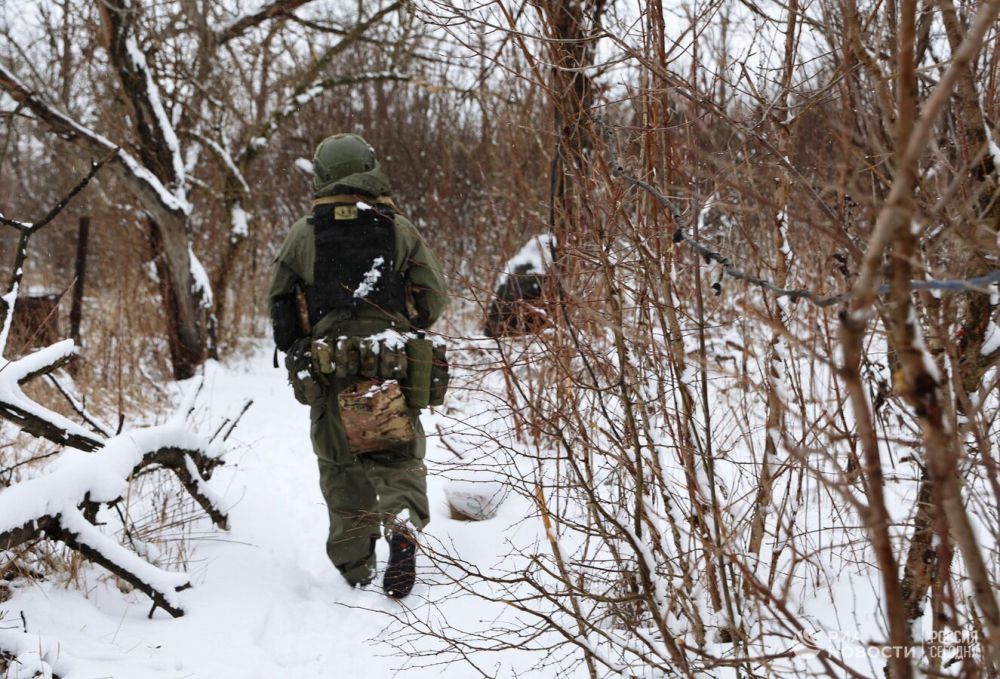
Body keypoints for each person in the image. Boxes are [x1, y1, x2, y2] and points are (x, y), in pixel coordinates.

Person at [269, 133, 447, 597]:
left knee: (340, 464)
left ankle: (355, 568)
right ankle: (401, 525)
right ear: (370, 169)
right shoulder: (398, 228)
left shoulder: (304, 233)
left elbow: (280, 306)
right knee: (398, 455)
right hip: (390, 362)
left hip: (329, 367)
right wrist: (404, 323)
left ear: (322, 176)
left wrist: (303, 342)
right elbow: (434, 297)